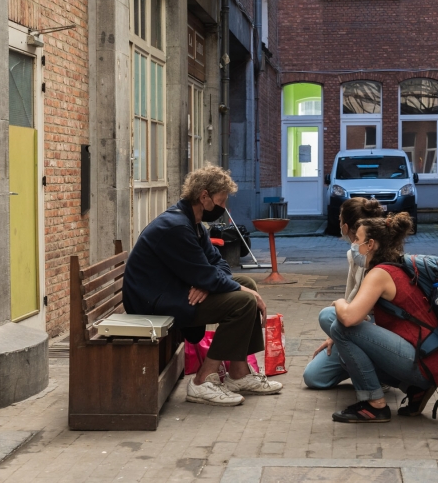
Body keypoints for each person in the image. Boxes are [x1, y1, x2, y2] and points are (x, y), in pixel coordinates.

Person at [123, 165, 283, 407]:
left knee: (246, 282)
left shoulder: (193, 222)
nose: (224, 208)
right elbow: (204, 273)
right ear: (204, 196)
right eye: (221, 201)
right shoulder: (177, 226)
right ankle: (201, 381)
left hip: (174, 290)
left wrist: (207, 284)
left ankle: (238, 373)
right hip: (154, 301)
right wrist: (210, 282)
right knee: (243, 301)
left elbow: (218, 265)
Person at [327, 213, 438, 423]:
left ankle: (375, 405)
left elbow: (350, 318)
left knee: (341, 328)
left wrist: (338, 302)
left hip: (423, 360)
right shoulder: (393, 265)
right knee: (345, 355)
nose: (353, 245)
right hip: (429, 356)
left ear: (370, 244)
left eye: (357, 240)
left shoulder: (380, 274)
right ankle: (415, 389)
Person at [303, 198, 384, 390]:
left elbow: (352, 312)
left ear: (346, 226)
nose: (354, 243)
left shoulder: (380, 259)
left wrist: (340, 310)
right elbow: (351, 298)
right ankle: (361, 365)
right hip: (357, 324)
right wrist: (335, 337)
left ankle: (377, 374)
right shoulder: (355, 255)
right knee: (314, 377)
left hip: (377, 328)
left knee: (328, 315)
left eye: (340, 220)